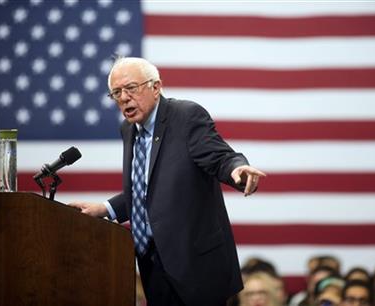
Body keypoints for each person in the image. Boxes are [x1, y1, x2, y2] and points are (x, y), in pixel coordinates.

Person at [69, 57, 266, 306]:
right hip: (153, 266)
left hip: (196, 268)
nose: (124, 98)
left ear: (156, 86)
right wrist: (106, 209)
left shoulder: (185, 116)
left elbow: (219, 157)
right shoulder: (128, 130)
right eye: (116, 93)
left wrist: (237, 169)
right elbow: (147, 188)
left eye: (131, 88)